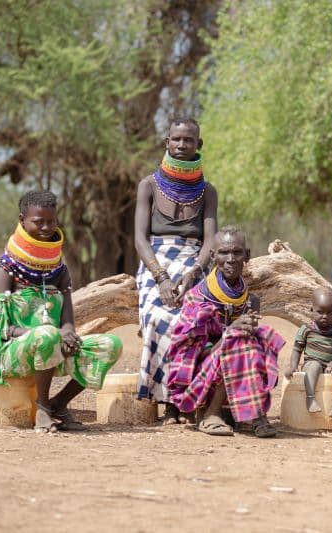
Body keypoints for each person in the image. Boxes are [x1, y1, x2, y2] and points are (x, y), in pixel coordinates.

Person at [0, 190, 123, 432]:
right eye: (38, 221)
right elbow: (1, 329)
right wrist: (50, 332)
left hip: (51, 345)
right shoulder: (7, 269)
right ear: (22, 219)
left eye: (51, 221)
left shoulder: (59, 270)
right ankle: (42, 407)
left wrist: (67, 332)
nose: (46, 227)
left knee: (110, 344)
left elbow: (67, 321)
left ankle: (59, 403)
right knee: (47, 334)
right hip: (13, 352)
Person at [134, 117, 218, 425]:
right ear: (166, 143)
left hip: (193, 262)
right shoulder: (149, 185)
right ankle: (168, 402)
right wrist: (161, 277)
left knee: (191, 319)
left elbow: (210, 241)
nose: (182, 145)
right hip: (155, 261)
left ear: (199, 145)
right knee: (159, 318)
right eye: (176, 139)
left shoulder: (207, 191)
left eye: (188, 140)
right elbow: (139, 240)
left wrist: (195, 272)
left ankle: (180, 402)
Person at [165, 226, 284, 438]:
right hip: (200, 380)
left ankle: (251, 414)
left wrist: (240, 334)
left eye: (237, 252)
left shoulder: (249, 300)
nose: (231, 259)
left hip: (235, 376)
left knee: (258, 340)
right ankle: (212, 414)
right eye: (224, 253)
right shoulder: (197, 298)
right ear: (213, 256)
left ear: (247, 256)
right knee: (237, 340)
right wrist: (230, 333)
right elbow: (187, 355)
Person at [284, 287, 332, 419]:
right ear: (311, 310)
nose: (325, 316)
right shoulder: (306, 330)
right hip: (311, 365)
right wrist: (293, 366)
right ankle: (310, 398)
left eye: (329, 313)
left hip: (330, 367)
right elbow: (297, 349)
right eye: (320, 312)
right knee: (315, 365)